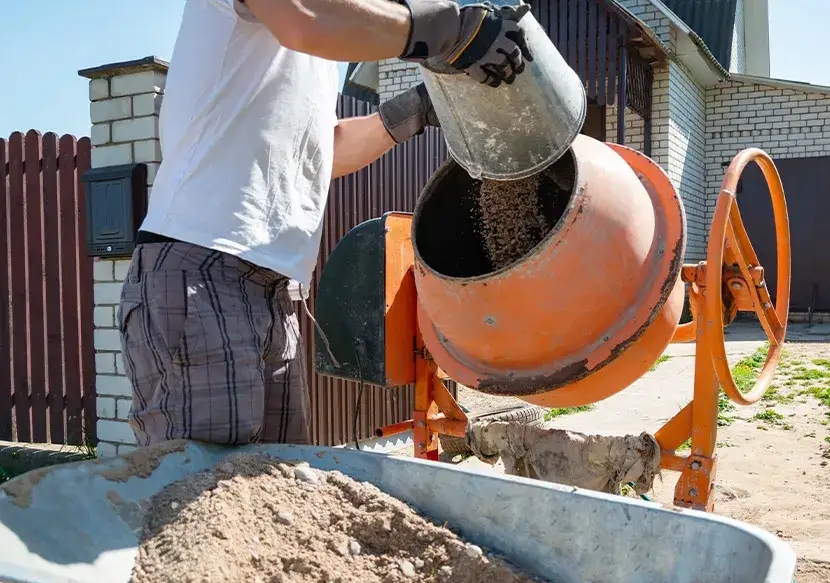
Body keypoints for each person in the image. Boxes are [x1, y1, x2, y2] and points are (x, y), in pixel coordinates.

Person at [117, 0, 533, 449]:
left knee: (277, 488)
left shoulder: (310, 55)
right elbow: (307, 20)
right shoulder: (302, 20)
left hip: (274, 290)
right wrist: (448, 27)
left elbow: (322, 150)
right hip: (200, 268)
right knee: (202, 495)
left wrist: (417, 109)